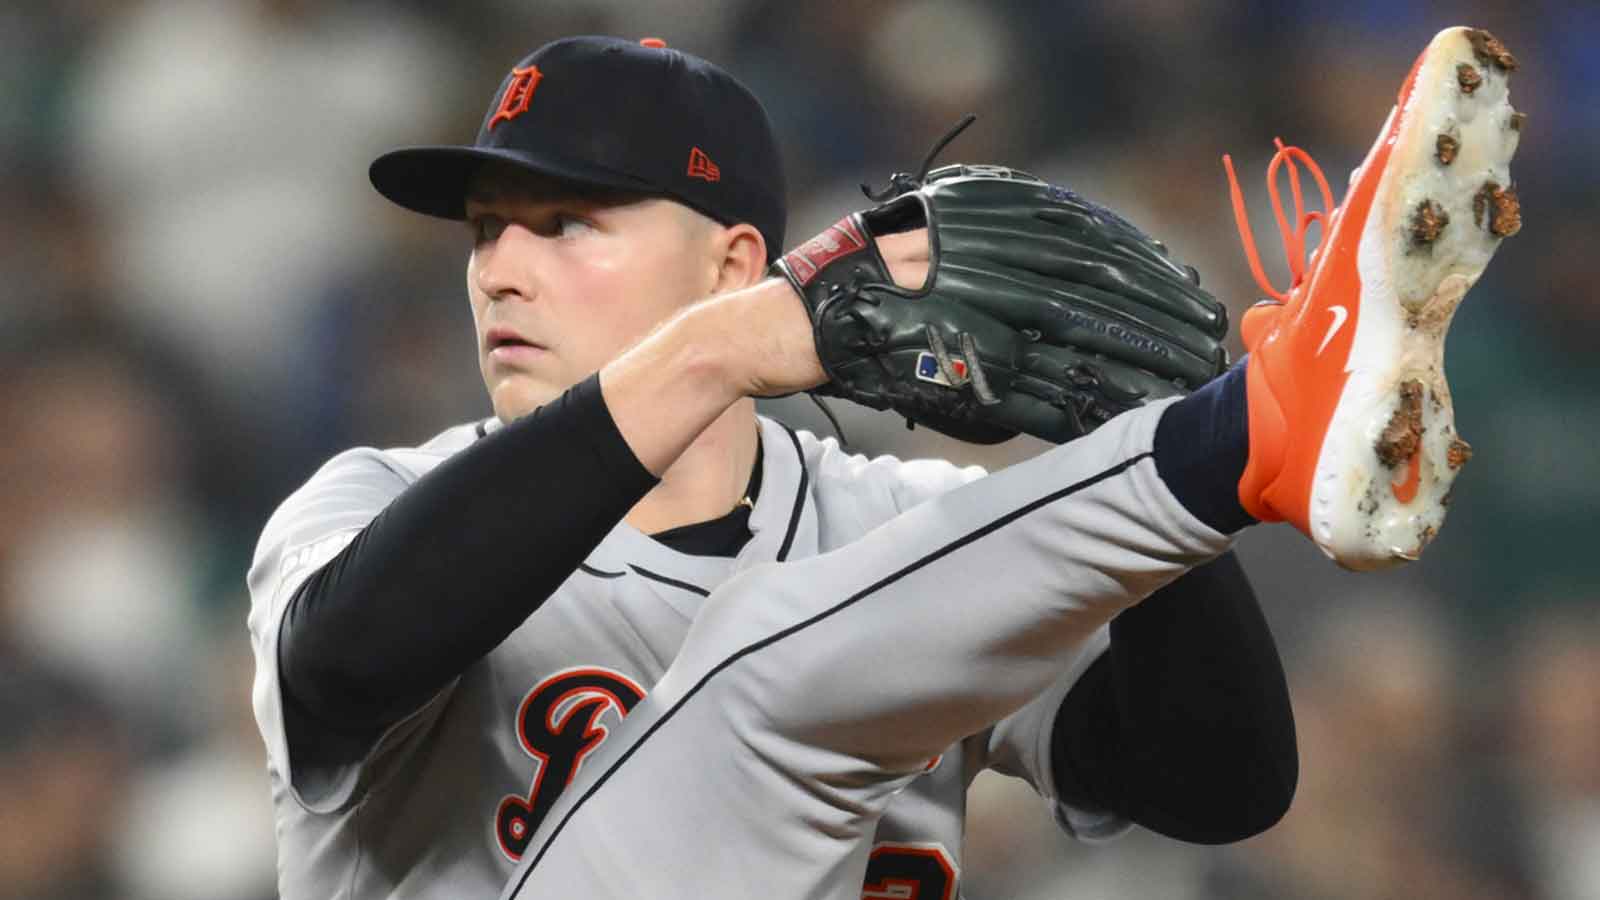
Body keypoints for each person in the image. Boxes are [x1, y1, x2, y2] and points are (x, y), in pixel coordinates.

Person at [248, 27, 1518, 899]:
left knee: (815, 624)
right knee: (763, 668)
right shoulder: (374, 502)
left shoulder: (909, 525)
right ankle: (1249, 432)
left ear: (734, 263)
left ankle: (1237, 435)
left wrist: (1116, 418)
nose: (498, 272)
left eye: (566, 221)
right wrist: (718, 358)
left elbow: (1218, 783)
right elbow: (349, 659)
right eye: (485, 233)